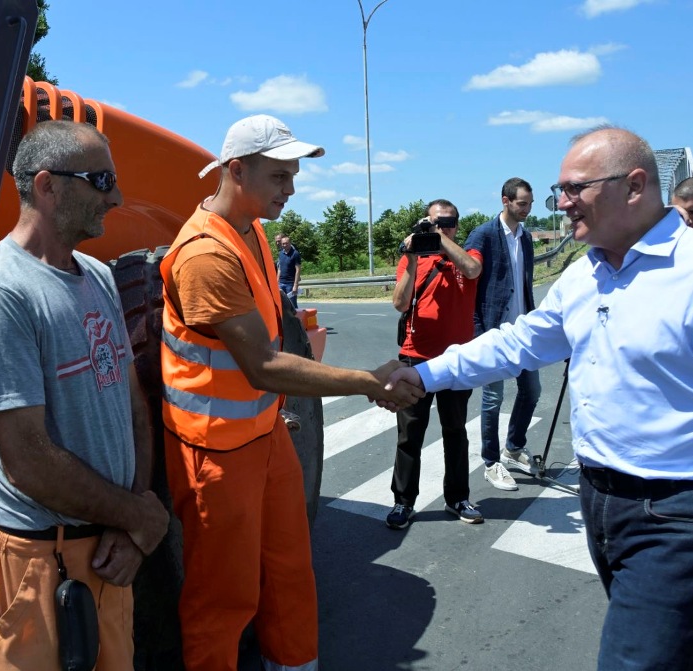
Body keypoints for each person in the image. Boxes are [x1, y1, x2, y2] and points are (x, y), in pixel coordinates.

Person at [386, 126, 693, 670]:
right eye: (558, 189)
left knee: (636, 661)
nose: (560, 202)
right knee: (679, 654)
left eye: (574, 188)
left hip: (688, 512)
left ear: (634, 186)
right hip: (603, 500)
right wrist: (425, 375)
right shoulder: (586, 274)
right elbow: (520, 343)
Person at [161, 113, 422, 671]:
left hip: (263, 434)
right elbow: (263, 365)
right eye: (280, 176)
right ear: (236, 170)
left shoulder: (251, 231)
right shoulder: (206, 254)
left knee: (288, 570)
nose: (292, 189)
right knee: (222, 598)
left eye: (292, 174)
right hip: (215, 451)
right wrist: (367, 383)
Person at [0, 120, 170, 671]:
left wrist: (132, 517)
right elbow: (27, 460)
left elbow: (131, 405)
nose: (117, 197)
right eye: (102, 180)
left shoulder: (95, 275)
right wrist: (138, 518)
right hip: (39, 559)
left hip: (107, 548)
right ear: (47, 186)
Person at [386, 199, 484, 529]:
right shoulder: (411, 258)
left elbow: (473, 271)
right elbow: (400, 304)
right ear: (424, 223)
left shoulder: (467, 255)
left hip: (457, 361)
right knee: (409, 434)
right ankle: (403, 502)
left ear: (458, 225)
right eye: (436, 223)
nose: (444, 227)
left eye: (450, 222)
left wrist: (439, 238)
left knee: (455, 431)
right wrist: (413, 259)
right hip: (416, 357)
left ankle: (457, 497)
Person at [464, 178, 542, 492]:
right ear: (505, 201)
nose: (527, 209)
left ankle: (513, 447)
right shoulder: (483, 235)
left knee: (532, 390)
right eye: (522, 203)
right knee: (493, 398)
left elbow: (524, 285)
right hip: (494, 333)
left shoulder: (525, 237)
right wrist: (479, 334)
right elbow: (470, 288)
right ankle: (491, 462)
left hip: (523, 333)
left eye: (530, 204)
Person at [277, 234, 303, 308]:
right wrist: (277, 282)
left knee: (292, 305)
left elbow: (298, 270)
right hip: (281, 283)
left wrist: (295, 285)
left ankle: (296, 319)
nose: (284, 245)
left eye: (286, 243)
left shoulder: (295, 254)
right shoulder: (280, 253)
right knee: (283, 305)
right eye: (283, 244)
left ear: (290, 243)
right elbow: (279, 269)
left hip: (290, 284)